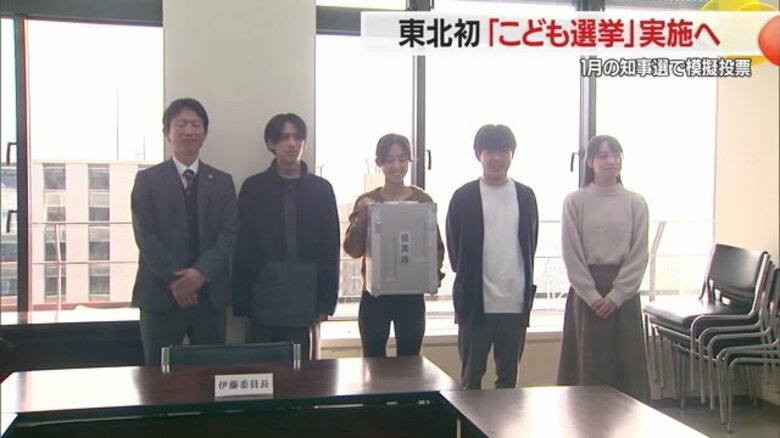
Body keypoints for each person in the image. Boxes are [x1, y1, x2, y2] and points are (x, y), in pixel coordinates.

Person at [131, 97, 238, 365]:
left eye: (195, 124)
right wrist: (177, 279)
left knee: (211, 375)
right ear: (167, 132)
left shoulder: (222, 181)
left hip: (210, 295)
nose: (189, 130)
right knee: (158, 376)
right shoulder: (147, 180)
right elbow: (145, 235)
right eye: (181, 124)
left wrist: (199, 274)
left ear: (204, 134)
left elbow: (229, 234)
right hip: (160, 295)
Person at [233, 113, 340, 360]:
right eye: (284, 138)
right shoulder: (253, 187)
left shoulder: (321, 189)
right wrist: (241, 302)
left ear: (305, 142)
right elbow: (242, 247)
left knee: (302, 372)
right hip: (263, 294)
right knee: (262, 371)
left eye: (297, 137)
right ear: (271, 143)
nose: (291, 143)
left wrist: (326, 302)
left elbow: (330, 248)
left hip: (306, 295)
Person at [557, 134, 650, 402]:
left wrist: (617, 295)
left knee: (627, 370)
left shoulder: (635, 202)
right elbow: (571, 252)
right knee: (588, 368)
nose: (610, 161)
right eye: (603, 155)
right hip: (587, 294)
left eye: (615, 154)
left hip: (624, 295)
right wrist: (592, 295)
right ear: (590, 162)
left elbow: (639, 254)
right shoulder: (575, 201)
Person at [446, 124, 538, 390]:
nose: (497, 158)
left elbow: (530, 244)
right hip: (476, 302)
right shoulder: (463, 197)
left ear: (512, 155)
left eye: (503, 151)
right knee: (471, 380)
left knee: (508, 382)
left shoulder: (525, 196)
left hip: (514, 302)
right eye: (489, 151)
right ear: (478, 155)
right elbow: (455, 250)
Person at [343, 133, 445, 358]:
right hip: (375, 296)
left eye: (402, 159)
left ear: (410, 161)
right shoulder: (367, 201)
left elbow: (435, 247)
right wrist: (362, 219)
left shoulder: (422, 200)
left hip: (411, 295)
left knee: (410, 362)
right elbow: (353, 250)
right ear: (379, 162)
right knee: (372, 361)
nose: (396, 166)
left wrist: (432, 276)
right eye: (389, 160)